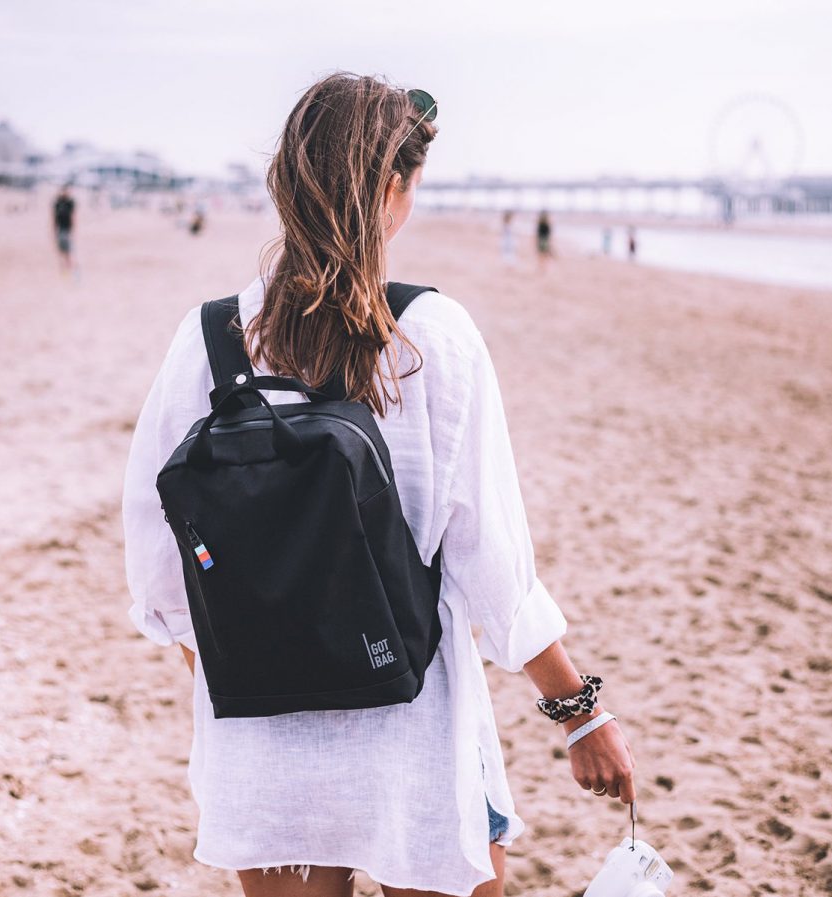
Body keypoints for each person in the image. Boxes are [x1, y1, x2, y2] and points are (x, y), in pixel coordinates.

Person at [122, 72, 636, 897]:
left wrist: (261, 661)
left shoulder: (207, 340)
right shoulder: (429, 338)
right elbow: (491, 565)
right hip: (413, 734)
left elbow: (157, 571)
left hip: (259, 749)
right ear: (394, 189)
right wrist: (582, 715)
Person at [52, 185, 75, 271]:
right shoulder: (57, 203)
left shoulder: (70, 202)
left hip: (67, 229)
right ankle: (63, 266)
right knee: (60, 249)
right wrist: (53, 230)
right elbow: (54, 217)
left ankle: (69, 265)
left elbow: (73, 216)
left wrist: (73, 229)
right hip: (60, 229)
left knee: (68, 249)